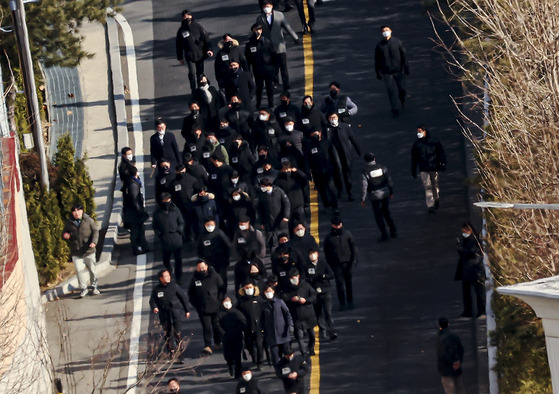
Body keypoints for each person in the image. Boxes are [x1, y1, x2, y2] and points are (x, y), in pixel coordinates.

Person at [256, 1, 300, 90]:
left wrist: (295, 37)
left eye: (268, 6)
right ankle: (275, 82)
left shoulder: (279, 15)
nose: (266, 8)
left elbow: (287, 27)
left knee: (283, 66)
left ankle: (286, 83)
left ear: (272, 6)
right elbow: (258, 31)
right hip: (268, 47)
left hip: (279, 45)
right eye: (264, 7)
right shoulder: (260, 18)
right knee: (273, 66)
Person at [149, 269, 191, 360]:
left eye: (169, 276)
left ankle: (180, 353)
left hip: (175, 313)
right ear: (161, 278)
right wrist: (154, 307)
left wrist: (187, 310)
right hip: (164, 315)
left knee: (177, 334)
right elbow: (152, 301)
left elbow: (183, 298)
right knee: (168, 334)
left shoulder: (174, 286)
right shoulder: (157, 290)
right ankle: (171, 351)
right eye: (165, 276)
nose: (168, 278)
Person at [62, 204, 100, 298]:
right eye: (74, 211)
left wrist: (94, 242)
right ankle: (83, 288)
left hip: (88, 250)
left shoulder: (88, 220)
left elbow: (95, 231)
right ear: (72, 212)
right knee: (79, 270)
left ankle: (94, 286)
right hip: (76, 251)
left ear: (82, 211)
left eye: (78, 210)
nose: (76, 213)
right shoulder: (69, 222)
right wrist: (65, 235)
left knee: (92, 270)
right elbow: (64, 232)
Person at [188, 260, 224, 355]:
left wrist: (220, 301)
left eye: (203, 267)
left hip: (216, 306)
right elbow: (191, 294)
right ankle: (207, 345)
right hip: (203, 308)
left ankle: (217, 341)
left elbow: (222, 288)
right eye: (199, 268)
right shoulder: (195, 279)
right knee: (207, 327)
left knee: (216, 325)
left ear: (207, 266)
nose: (201, 269)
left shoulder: (215, 276)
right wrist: (197, 305)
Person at [281, 268, 317, 359]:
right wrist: (291, 300)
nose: (293, 280)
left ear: (298, 276)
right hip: (296, 316)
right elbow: (284, 299)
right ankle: (304, 352)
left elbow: (313, 295)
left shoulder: (306, 285)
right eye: (291, 278)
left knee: (311, 334)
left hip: (308, 314)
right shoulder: (287, 288)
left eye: (294, 277)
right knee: (299, 336)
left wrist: (306, 300)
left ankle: (311, 348)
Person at [302, 247, 337, 341]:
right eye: (311, 253)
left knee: (328, 312)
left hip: (325, 291)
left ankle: (332, 331)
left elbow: (332, 275)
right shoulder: (306, 266)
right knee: (318, 313)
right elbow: (304, 278)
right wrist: (311, 279)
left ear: (317, 254)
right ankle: (323, 331)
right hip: (314, 292)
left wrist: (324, 276)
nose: (312, 255)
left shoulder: (323, 263)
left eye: (314, 253)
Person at [360, 152, 397, 242]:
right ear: (374, 159)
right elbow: (389, 181)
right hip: (385, 194)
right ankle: (393, 231)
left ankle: (384, 234)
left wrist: (363, 199)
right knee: (387, 213)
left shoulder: (365, 172)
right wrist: (391, 192)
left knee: (379, 216)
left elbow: (364, 187)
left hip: (374, 196)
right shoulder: (382, 168)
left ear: (366, 161)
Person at [375, 25, 410, 117]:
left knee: (401, 89)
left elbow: (404, 55)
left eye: (387, 30)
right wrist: (378, 72)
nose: (385, 32)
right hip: (386, 72)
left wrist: (406, 67)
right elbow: (377, 60)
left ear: (391, 31)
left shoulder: (397, 42)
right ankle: (394, 108)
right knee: (391, 91)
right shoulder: (379, 45)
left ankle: (402, 98)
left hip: (398, 71)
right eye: (383, 31)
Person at [411, 125, 447, 213]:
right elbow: (414, 158)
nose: (418, 133)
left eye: (420, 131)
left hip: (434, 167)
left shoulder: (434, 142)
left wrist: (442, 164)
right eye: (418, 132)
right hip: (423, 169)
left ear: (425, 131)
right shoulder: (417, 145)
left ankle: (436, 198)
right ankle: (430, 205)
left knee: (434, 185)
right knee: (428, 187)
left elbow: (440, 153)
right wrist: (413, 170)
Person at [323, 216, 357, 310]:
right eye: (335, 225)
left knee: (348, 283)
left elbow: (353, 248)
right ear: (332, 225)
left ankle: (350, 301)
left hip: (347, 263)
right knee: (339, 284)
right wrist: (330, 266)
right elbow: (327, 253)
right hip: (336, 264)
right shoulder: (329, 238)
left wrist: (354, 261)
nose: (337, 227)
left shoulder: (347, 235)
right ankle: (342, 303)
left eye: (339, 224)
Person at [175, 9, 213, 92]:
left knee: (200, 73)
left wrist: (209, 49)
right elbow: (178, 45)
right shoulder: (181, 31)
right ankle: (193, 89)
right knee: (192, 73)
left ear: (191, 16)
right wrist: (180, 57)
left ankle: (201, 88)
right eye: (185, 17)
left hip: (200, 54)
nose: (187, 18)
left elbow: (206, 38)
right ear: (182, 18)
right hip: (189, 55)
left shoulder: (197, 26)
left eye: (189, 16)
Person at [303, 129, 340, 213]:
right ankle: (326, 205)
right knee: (321, 190)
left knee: (331, 188)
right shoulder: (309, 146)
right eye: (312, 133)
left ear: (320, 133)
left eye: (316, 132)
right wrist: (308, 172)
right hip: (317, 172)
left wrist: (337, 168)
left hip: (328, 171)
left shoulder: (327, 143)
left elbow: (334, 156)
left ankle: (335, 206)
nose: (314, 134)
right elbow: (306, 160)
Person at [326, 112, 361, 201]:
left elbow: (353, 138)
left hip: (345, 155)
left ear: (337, 117)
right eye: (330, 118)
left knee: (347, 174)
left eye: (334, 117)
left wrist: (359, 151)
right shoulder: (326, 129)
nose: (332, 119)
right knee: (337, 173)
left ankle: (350, 192)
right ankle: (340, 190)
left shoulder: (345, 127)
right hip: (333, 156)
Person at [152, 193, 185, 283]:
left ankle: (179, 277)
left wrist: (179, 231)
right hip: (165, 240)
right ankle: (168, 275)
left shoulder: (175, 210)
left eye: (168, 200)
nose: (167, 203)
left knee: (178, 260)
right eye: (165, 201)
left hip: (176, 239)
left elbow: (181, 222)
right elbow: (155, 226)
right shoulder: (157, 213)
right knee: (166, 260)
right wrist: (160, 235)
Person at [455, 223, 485, 318]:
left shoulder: (475, 240)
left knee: (479, 292)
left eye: (465, 231)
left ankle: (481, 311)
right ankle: (468, 311)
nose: (464, 233)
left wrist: (461, 250)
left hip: (475, 270)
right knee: (467, 293)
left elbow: (473, 253)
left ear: (470, 230)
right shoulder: (467, 240)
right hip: (467, 271)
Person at [261, 285, 294, 368]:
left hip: (283, 333)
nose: (269, 293)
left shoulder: (279, 302)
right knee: (275, 357)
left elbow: (287, 313)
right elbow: (261, 319)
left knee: (287, 354)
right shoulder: (263, 305)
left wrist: (290, 325)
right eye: (267, 292)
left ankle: (290, 368)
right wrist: (263, 331)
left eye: (270, 291)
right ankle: (279, 371)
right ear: (264, 293)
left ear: (273, 291)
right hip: (271, 335)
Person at [196, 217, 231, 295]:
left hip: (221, 260)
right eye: (208, 225)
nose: (210, 226)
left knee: (222, 278)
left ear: (214, 224)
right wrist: (203, 261)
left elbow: (227, 246)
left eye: (211, 224)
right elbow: (199, 249)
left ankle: (223, 294)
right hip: (209, 262)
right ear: (204, 225)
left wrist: (226, 258)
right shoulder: (202, 236)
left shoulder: (219, 233)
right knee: (211, 278)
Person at [245, 23, 277, 109]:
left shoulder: (267, 42)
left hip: (268, 69)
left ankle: (271, 104)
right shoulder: (250, 44)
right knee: (259, 88)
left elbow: (274, 55)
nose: (257, 32)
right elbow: (247, 60)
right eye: (255, 30)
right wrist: (249, 72)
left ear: (261, 30)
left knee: (269, 88)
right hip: (257, 69)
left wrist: (275, 69)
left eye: (258, 30)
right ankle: (258, 104)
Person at [257, 177, 291, 251]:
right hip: (268, 221)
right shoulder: (262, 195)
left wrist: (286, 216)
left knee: (283, 238)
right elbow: (259, 209)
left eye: (263, 186)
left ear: (268, 185)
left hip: (280, 221)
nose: (262, 188)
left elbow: (286, 203)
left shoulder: (278, 191)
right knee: (271, 241)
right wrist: (261, 222)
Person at [237, 280, 265, 369]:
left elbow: (263, 311)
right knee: (249, 344)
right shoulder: (241, 302)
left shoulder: (259, 299)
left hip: (258, 326)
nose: (249, 289)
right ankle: (253, 355)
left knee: (259, 344)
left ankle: (260, 362)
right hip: (247, 327)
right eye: (247, 288)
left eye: (250, 287)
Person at [217, 296, 247, 378]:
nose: (227, 302)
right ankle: (230, 364)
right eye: (225, 301)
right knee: (228, 355)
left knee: (238, 356)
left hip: (237, 337)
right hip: (226, 338)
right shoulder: (219, 314)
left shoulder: (237, 312)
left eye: (228, 300)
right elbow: (216, 324)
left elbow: (243, 322)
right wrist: (223, 333)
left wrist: (238, 330)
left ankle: (238, 374)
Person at [122, 169, 149, 255]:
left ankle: (144, 246)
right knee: (136, 231)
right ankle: (136, 248)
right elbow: (135, 199)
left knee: (140, 229)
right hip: (134, 213)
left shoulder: (130, 182)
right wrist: (140, 211)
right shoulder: (133, 185)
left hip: (132, 211)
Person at [436, 317, 466, 394]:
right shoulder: (455, 336)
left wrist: (451, 363)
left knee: (450, 390)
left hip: (446, 369)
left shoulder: (440, 339)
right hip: (457, 368)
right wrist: (458, 361)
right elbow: (461, 349)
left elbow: (442, 354)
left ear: (439, 326)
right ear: (448, 324)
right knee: (460, 388)